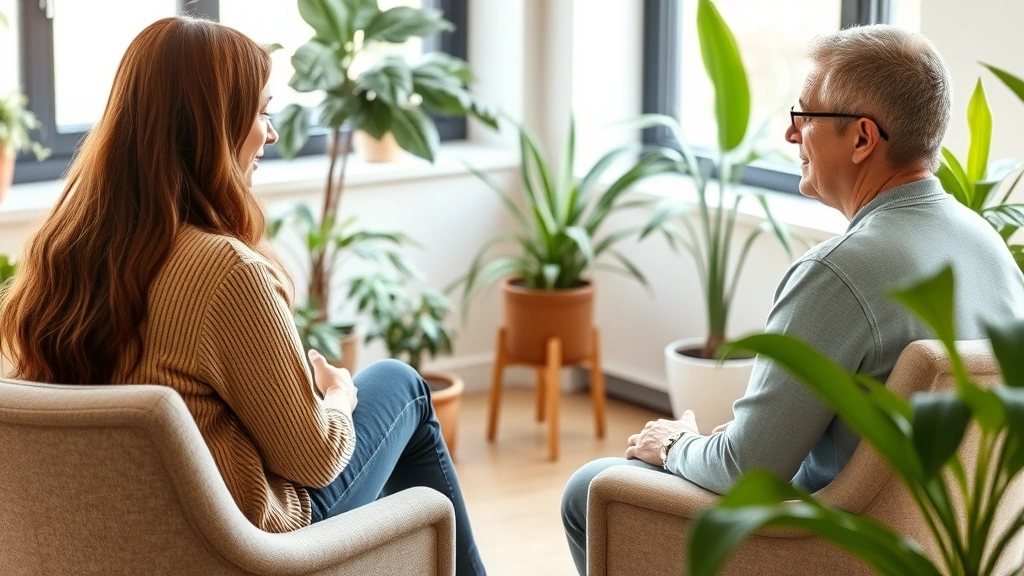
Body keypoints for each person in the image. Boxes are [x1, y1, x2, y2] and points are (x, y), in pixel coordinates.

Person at [0, 16, 485, 575]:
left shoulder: (61, 250)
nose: (271, 134)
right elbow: (315, 460)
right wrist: (337, 400)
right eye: (260, 111)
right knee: (402, 386)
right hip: (240, 549)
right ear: (211, 126)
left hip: (119, 544)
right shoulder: (225, 272)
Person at [561, 24, 1024, 575]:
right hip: (946, 551)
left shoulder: (842, 271)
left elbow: (748, 468)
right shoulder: (987, 245)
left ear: (861, 139)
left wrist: (674, 444)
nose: (790, 134)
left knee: (589, 489)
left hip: (828, 552)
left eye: (805, 116)